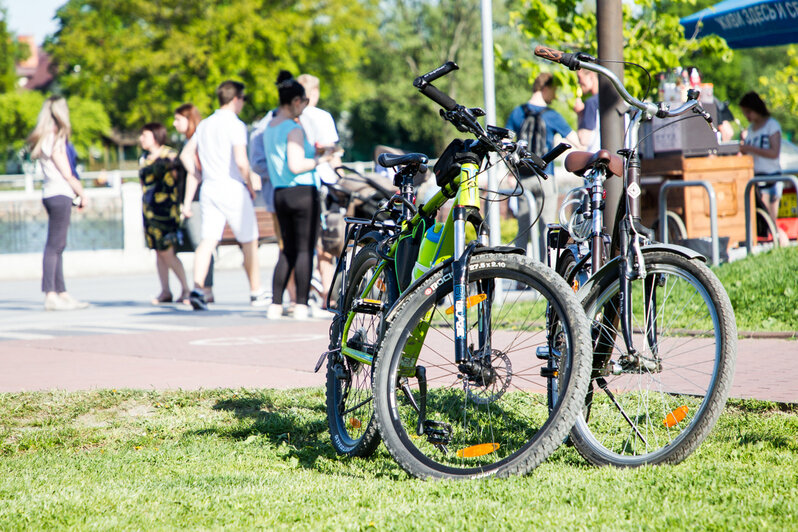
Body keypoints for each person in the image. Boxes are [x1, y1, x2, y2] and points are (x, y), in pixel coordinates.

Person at [183, 80, 269, 310]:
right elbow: (241, 161)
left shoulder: (205, 124)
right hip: (232, 186)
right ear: (235, 99)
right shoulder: (235, 124)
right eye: (242, 99)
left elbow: (186, 154)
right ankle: (256, 291)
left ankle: (197, 288)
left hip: (209, 186)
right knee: (249, 241)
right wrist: (249, 184)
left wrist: (197, 173)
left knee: (207, 241)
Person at [263, 70, 334, 320]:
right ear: (295, 101)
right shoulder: (293, 128)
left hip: (280, 193)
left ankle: (275, 303)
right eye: (303, 102)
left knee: (287, 250)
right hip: (303, 192)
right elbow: (296, 165)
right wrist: (322, 159)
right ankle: (302, 304)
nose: (304, 107)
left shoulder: (269, 127)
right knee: (305, 250)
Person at [505, 72, 582, 257]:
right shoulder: (552, 115)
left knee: (523, 228)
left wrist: (510, 172)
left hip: (523, 178)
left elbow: (505, 144)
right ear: (545, 88)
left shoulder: (518, 112)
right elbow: (577, 141)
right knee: (546, 227)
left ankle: (519, 267)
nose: (554, 96)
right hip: (545, 177)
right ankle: (543, 268)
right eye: (553, 90)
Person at [27, 96, 89, 311]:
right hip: (60, 193)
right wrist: (82, 193)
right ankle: (51, 294)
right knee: (54, 246)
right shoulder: (55, 139)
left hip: (50, 193)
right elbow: (67, 172)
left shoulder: (44, 138)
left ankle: (61, 292)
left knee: (57, 245)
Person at [297, 73, 342, 309]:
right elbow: (331, 153)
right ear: (314, 92)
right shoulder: (321, 117)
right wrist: (341, 178)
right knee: (327, 240)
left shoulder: (290, 117)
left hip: (298, 184)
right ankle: (328, 293)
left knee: (306, 242)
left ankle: (301, 295)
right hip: (324, 182)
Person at [136, 122, 191, 305]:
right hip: (150, 211)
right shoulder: (144, 158)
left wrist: (182, 204)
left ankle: (186, 289)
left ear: (155, 136)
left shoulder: (170, 156)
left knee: (167, 251)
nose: (141, 139)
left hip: (166, 210)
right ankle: (165, 291)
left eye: (145, 135)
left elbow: (179, 181)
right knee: (158, 252)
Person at [174, 103, 214, 303]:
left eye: (178, 119)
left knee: (203, 244)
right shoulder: (191, 141)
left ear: (189, 119)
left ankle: (204, 289)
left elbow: (194, 175)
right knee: (203, 244)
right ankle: (203, 289)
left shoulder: (197, 141)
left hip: (198, 198)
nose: (174, 124)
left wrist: (187, 203)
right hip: (196, 198)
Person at [739, 91, 788, 246]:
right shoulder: (751, 128)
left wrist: (750, 148)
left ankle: (781, 244)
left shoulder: (771, 125)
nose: (747, 116)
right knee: (761, 219)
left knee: (771, 219)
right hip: (756, 177)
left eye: (748, 112)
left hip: (770, 177)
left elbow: (774, 152)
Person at [574, 69, 600, 153]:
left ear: (591, 75)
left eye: (579, 77)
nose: (578, 82)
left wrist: (580, 114)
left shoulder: (591, 103)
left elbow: (583, 140)